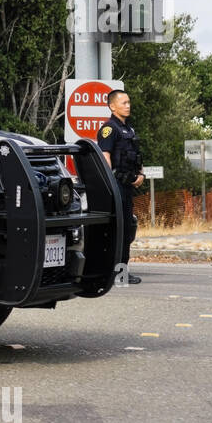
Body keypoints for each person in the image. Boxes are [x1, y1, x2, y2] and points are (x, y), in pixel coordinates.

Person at [96, 90, 144, 284]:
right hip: (116, 187)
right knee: (116, 230)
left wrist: (141, 174)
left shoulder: (129, 130)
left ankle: (122, 273)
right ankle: (114, 274)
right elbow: (105, 156)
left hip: (128, 187)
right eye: (123, 102)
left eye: (128, 102)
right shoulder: (109, 129)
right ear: (112, 106)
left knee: (126, 230)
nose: (128, 105)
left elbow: (137, 156)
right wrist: (110, 184)